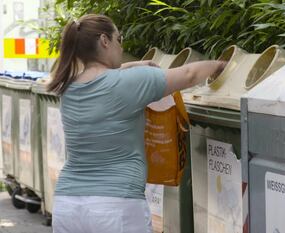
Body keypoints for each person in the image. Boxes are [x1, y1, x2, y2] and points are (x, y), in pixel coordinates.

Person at [48, 14, 226, 233]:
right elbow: (189, 75)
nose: (121, 48)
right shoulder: (131, 82)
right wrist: (220, 65)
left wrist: (133, 65)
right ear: (105, 41)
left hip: (68, 205)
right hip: (115, 206)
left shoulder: (67, 87)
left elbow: (98, 78)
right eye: (118, 39)